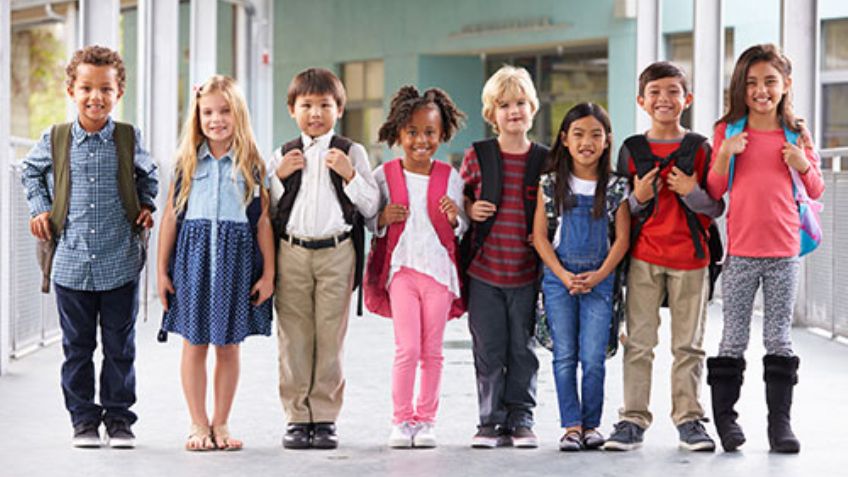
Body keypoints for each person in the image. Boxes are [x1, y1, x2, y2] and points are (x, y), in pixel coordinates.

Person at [21, 45, 158, 448]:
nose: (95, 96)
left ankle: (119, 420)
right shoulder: (56, 138)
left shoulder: (128, 138)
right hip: (70, 263)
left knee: (120, 348)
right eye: (86, 88)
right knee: (77, 349)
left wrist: (148, 204)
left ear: (119, 93)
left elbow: (149, 176)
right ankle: (83, 420)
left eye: (105, 89)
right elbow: (31, 172)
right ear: (71, 91)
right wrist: (40, 208)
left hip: (119, 261)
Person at [705, 44, 824, 454]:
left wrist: (802, 162)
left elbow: (816, 188)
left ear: (786, 85)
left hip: (785, 252)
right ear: (740, 87)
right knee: (733, 338)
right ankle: (726, 421)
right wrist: (723, 154)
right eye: (751, 83)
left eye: (770, 81)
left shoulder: (797, 132)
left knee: (779, 340)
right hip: (740, 253)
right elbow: (714, 191)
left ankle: (780, 426)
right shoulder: (729, 131)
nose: (761, 90)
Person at [605, 61, 724, 452]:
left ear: (686, 99)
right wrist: (638, 198)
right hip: (643, 258)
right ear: (641, 100)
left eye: (673, 91)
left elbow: (715, 208)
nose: (664, 99)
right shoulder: (632, 150)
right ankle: (632, 419)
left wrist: (690, 190)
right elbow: (621, 209)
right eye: (655, 92)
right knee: (639, 343)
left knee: (688, 346)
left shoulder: (700, 148)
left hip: (692, 258)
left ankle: (689, 420)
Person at [157, 75, 274, 451]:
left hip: (236, 264)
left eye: (224, 111)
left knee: (228, 346)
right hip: (192, 263)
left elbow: (262, 222)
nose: (216, 119)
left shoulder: (253, 165)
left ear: (238, 114)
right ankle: (197, 423)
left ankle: (221, 423)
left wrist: (269, 273)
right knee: (194, 344)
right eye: (207, 112)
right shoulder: (186, 163)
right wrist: (162, 271)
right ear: (198, 116)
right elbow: (171, 218)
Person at [271, 68, 380, 450]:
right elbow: (264, 209)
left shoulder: (352, 152)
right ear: (292, 109)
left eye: (324, 105)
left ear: (339, 109)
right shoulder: (283, 154)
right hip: (292, 251)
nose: (315, 113)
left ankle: (325, 416)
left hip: (337, 252)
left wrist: (349, 175)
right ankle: (298, 417)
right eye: (307, 105)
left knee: (330, 337)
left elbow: (371, 208)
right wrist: (278, 177)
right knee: (294, 337)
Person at [364, 86, 467, 448]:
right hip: (402, 271)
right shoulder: (385, 175)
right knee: (406, 349)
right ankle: (400, 419)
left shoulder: (449, 176)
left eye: (429, 133)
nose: (421, 140)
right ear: (398, 134)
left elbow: (462, 225)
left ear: (442, 135)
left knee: (432, 351)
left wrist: (455, 219)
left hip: (439, 273)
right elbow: (370, 220)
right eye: (412, 133)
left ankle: (426, 421)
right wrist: (381, 218)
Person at [460, 65, 548, 449]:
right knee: (489, 348)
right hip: (484, 272)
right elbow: (461, 196)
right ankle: (491, 420)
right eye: (504, 104)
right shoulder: (478, 155)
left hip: (527, 273)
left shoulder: (544, 160)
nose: (514, 111)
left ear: (533, 108)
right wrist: (469, 208)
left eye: (521, 103)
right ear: (491, 113)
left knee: (522, 349)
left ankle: (521, 417)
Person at [532, 103, 630, 451]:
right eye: (578, 134)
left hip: (600, 280)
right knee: (564, 356)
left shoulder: (617, 185)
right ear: (564, 139)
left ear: (606, 142)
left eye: (595, 134)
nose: (587, 142)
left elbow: (622, 239)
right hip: (559, 280)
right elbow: (540, 237)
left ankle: (591, 424)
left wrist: (600, 275)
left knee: (593, 358)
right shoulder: (551, 183)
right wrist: (562, 274)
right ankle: (571, 425)